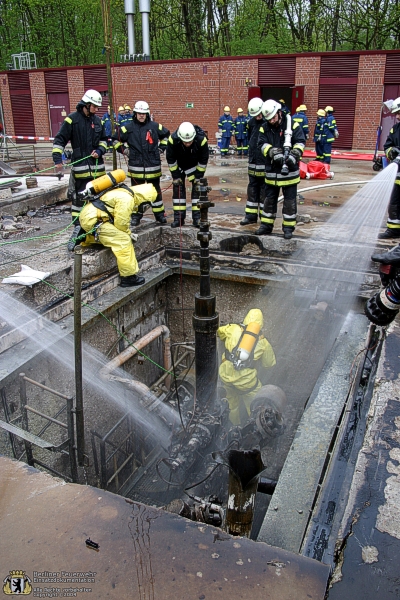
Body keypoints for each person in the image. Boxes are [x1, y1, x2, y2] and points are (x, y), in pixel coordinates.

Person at [52, 89, 108, 251]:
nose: (97, 110)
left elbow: (104, 140)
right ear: (87, 104)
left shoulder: (97, 121)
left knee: (98, 200)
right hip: (80, 171)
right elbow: (59, 140)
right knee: (78, 202)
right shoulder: (72, 120)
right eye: (95, 107)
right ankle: (78, 230)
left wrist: (100, 151)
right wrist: (57, 160)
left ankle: (97, 230)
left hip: (98, 171)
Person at [79, 182, 157, 287]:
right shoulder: (127, 199)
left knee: (114, 234)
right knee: (123, 240)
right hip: (94, 220)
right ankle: (128, 277)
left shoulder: (123, 192)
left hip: (91, 216)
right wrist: (128, 234)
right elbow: (121, 224)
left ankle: (86, 237)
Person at [112, 100, 169, 225]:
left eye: (143, 113)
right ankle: (136, 216)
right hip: (136, 167)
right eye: (139, 113)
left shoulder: (154, 126)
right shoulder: (128, 128)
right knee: (136, 193)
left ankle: (159, 215)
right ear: (135, 113)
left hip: (153, 166)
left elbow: (166, 136)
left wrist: (161, 148)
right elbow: (115, 140)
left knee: (156, 192)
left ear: (147, 114)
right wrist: (125, 151)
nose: (141, 115)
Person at [255, 99, 306, 240]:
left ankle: (288, 228)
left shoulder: (292, 125)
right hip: (272, 171)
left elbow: (300, 142)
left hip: (289, 171)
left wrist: (294, 155)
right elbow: (261, 144)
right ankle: (266, 225)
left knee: (289, 202)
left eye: (273, 117)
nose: (271, 121)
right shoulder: (264, 127)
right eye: (269, 118)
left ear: (279, 112)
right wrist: (271, 152)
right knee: (269, 200)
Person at [217, 308, 276, 425]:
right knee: (256, 405)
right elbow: (269, 364)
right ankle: (254, 429)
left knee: (231, 406)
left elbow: (218, 332)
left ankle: (234, 427)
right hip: (246, 383)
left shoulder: (233, 329)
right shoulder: (263, 342)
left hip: (226, 377)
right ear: (260, 324)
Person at [166, 121, 209, 228]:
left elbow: (203, 160)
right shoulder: (173, 140)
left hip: (194, 164)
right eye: (185, 142)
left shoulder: (201, 140)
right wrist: (175, 176)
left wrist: (198, 176)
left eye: (190, 142)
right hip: (179, 165)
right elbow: (170, 159)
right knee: (178, 190)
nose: (187, 144)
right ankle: (179, 219)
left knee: (197, 190)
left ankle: (197, 218)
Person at [240, 97, 266, 226]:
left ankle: (264, 218)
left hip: (264, 162)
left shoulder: (268, 123)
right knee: (252, 189)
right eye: (255, 115)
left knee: (264, 190)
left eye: (259, 114)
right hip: (253, 161)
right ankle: (250, 216)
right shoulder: (251, 123)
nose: (258, 117)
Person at [378, 97, 400, 239]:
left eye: (399, 113)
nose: (397, 116)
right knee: (394, 203)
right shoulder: (396, 129)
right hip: (398, 176)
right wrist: (391, 151)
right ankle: (393, 229)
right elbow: (387, 145)